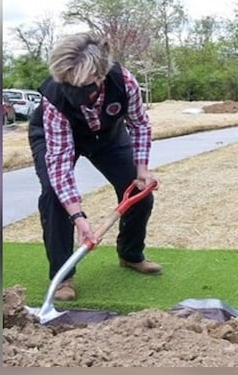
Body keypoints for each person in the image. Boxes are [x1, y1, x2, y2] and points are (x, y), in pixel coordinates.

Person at [28, 32, 161, 301]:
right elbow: (59, 161)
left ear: (99, 76)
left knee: (139, 193)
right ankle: (63, 276)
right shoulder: (54, 98)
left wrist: (142, 169)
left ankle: (130, 254)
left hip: (107, 136)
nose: (73, 90)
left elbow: (139, 125)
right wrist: (78, 217)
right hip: (57, 138)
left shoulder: (124, 83)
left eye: (81, 84)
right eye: (67, 83)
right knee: (54, 197)